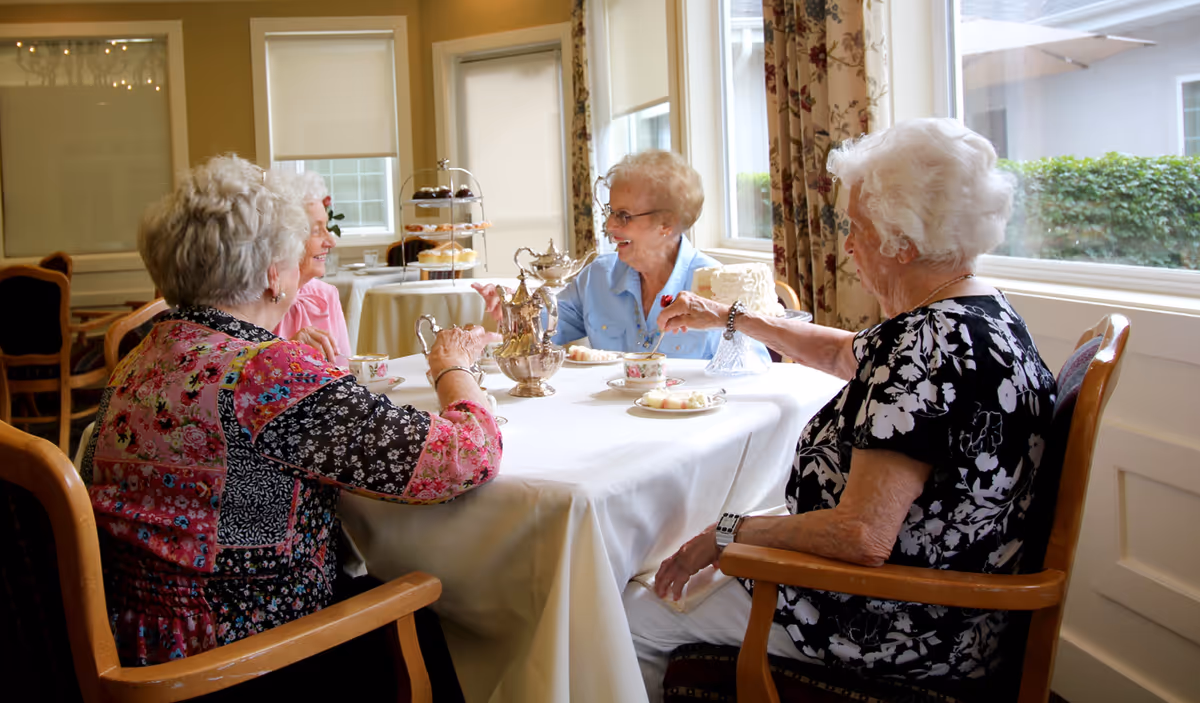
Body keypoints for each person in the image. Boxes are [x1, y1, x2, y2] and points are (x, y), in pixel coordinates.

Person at [623, 119, 1058, 701]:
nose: (847, 245)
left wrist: (727, 533)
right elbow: (844, 352)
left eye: (857, 228)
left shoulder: (926, 348)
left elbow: (859, 536)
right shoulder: (977, 313)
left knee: (630, 616)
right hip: (949, 611)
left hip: (888, 623)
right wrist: (732, 317)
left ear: (903, 241)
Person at [81, 155, 502, 671]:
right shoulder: (265, 374)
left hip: (137, 651)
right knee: (454, 618)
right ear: (271, 275)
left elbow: (237, 488)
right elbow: (465, 455)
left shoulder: (141, 357)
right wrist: (453, 368)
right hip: (247, 660)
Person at [474, 150, 768, 361]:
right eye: (610, 212)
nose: (610, 226)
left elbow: (753, 377)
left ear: (667, 223)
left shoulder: (717, 288)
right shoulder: (596, 277)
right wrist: (515, 307)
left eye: (624, 216)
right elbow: (544, 329)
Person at [267, 169, 352, 367]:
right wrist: (289, 351)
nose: (331, 241)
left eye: (327, 228)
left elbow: (345, 372)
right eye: (316, 231)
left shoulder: (326, 296)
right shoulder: (255, 302)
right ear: (286, 238)